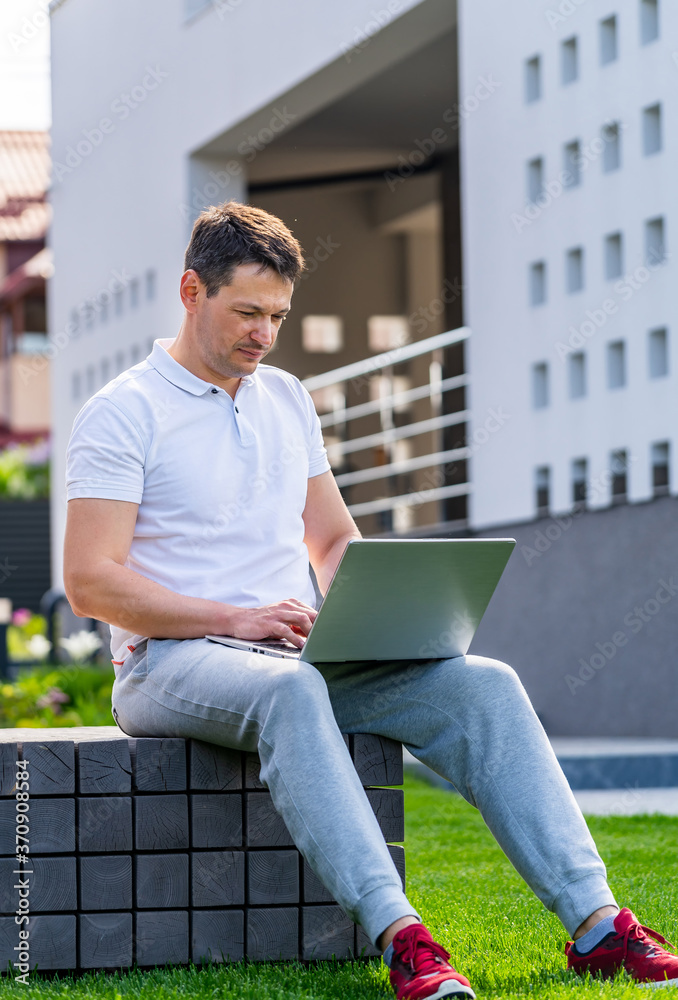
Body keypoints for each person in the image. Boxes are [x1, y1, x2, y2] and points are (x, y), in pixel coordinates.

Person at [63, 201, 678, 998]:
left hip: (288, 654)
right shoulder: (124, 412)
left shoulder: (285, 398)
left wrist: (389, 613)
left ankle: (596, 924)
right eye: (247, 312)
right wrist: (232, 618)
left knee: (482, 684)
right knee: (292, 689)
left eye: (278, 316)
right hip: (169, 663)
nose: (264, 333)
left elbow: (332, 545)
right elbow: (90, 580)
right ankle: (403, 938)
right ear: (191, 291)